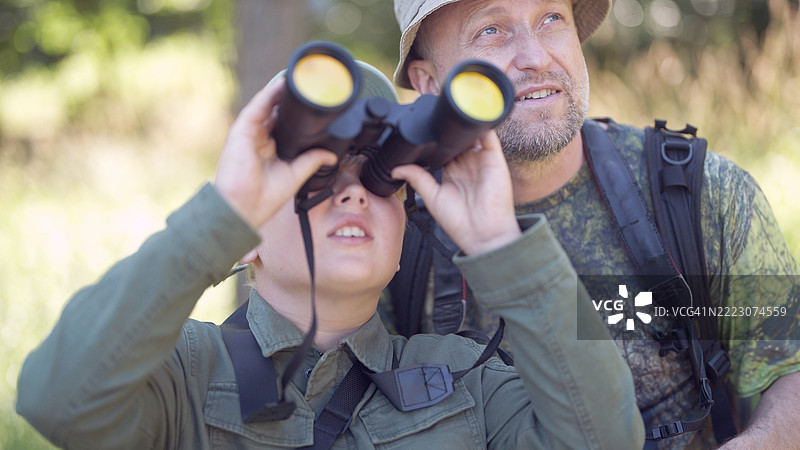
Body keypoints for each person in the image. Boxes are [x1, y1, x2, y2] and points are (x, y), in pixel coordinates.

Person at [15, 59, 644, 449]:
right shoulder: (185, 375)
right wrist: (220, 217)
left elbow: (608, 440)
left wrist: (500, 245)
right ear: (249, 236)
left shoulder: (467, 380)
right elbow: (56, 400)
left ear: (405, 231)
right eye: (311, 181)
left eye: (379, 179)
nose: (352, 195)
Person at [388, 0, 800, 448]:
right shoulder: (397, 228)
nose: (536, 56)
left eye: (551, 19)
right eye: (491, 30)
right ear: (429, 83)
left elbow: (790, 365)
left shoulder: (698, 194)